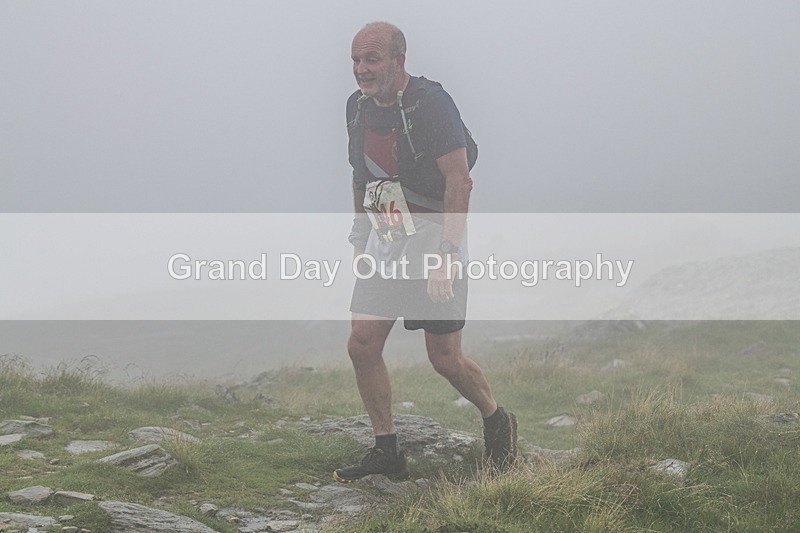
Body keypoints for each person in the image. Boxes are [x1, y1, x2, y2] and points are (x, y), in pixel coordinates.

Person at [333, 21, 517, 483]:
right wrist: (359, 239)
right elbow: (361, 177)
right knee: (362, 342)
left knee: (444, 358)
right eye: (356, 60)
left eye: (371, 59)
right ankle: (387, 449)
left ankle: (497, 419)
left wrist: (447, 256)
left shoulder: (432, 103)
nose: (361, 69)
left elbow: (460, 181)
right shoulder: (356, 109)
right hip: (388, 233)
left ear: (399, 61)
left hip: (438, 232)